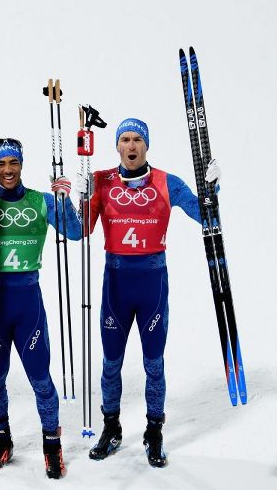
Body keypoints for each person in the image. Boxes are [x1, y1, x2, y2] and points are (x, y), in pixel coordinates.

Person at [83, 118, 221, 468]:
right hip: (115, 286)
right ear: (117, 145)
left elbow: (205, 216)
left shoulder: (166, 182)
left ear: (146, 145)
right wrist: (75, 198)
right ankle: (111, 428)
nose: (131, 146)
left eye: (137, 140)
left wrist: (211, 190)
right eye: (125, 139)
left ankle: (154, 431)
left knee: (153, 364)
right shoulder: (101, 180)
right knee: (110, 364)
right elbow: (78, 229)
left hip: (152, 287)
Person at [0, 138, 79, 479]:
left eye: (13, 163)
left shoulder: (41, 201)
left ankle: (52, 445)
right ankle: (2, 440)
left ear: (21, 164)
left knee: (41, 378)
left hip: (27, 303)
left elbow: (76, 232)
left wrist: (66, 202)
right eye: (1, 164)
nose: (8, 170)